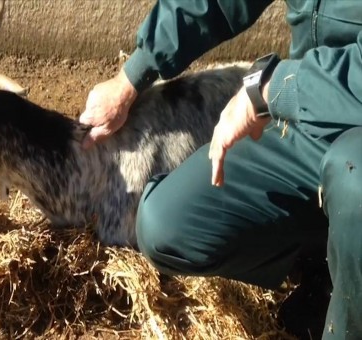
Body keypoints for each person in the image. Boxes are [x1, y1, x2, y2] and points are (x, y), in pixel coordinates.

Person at [79, 1, 362, 339]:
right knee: (165, 223)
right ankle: (326, 265)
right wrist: (132, 76)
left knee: (353, 182)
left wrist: (275, 86)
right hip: (307, 114)